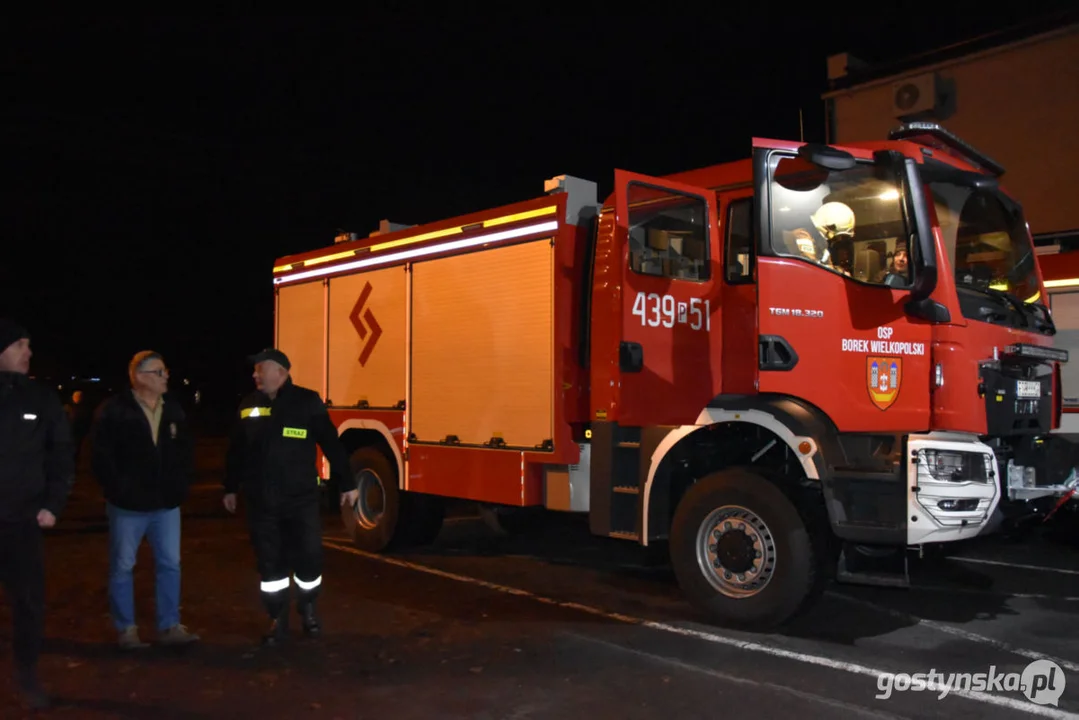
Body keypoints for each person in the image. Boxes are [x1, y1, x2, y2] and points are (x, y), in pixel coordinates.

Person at [223, 348, 358, 646]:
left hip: (300, 499)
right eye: (255, 370)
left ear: (281, 372)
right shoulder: (248, 405)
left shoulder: (306, 402)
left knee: (309, 557)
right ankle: (277, 618)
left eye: (261, 369)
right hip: (261, 501)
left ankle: (308, 609)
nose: (255, 375)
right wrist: (230, 487)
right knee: (270, 565)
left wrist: (348, 483)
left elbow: (332, 444)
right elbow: (236, 450)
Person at [90, 351, 200, 650]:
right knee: (123, 566)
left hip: (166, 505)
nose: (165, 377)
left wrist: (179, 487)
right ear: (138, 377)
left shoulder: (174, 410)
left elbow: (186, 453)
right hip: (128, 506)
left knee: (170, 564)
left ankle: (169, 626)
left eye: (165, 371)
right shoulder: (114, 411)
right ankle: (126, 629)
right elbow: (100, 457)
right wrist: (118, 489)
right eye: (158, 372)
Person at [0, 319, 75, 709]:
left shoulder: (40, 399)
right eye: (20, 345)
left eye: (29, 345)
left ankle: (27, 676)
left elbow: (61, 455)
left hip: (23, 522)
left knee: (28, 603)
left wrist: (53, 504)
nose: (28, 353)